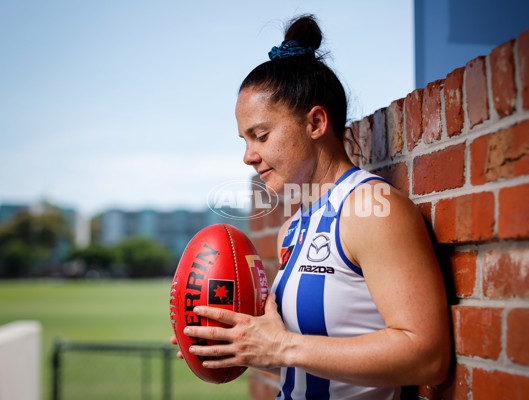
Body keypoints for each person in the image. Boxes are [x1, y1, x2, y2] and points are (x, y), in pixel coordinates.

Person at [171, 14, 451, 400]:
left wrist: (281, 347)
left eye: (261, 135)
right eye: (244, 140)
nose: (248, 156)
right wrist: (238, 345)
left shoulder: (373, 208)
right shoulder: (295, 225)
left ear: (316, 122)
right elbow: (307, 356)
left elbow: (427, 355)